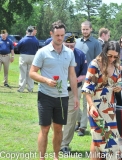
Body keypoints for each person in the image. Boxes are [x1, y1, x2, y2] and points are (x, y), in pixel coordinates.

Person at [29, 20, 79, 160]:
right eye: (57, 35)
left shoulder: (69, 53)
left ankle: (56, 157)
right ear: (51, 34)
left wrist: (75, 97)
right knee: (44, 129)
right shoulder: (42, 52)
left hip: (63, 96)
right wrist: (46, 80)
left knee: (58, 129)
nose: (60, 38)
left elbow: (72, 76)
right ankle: (42, 157)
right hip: (45, 95)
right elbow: (32, 73)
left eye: (62, 35)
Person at [81, 41, 122, 159]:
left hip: (109, 108)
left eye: (115, 56)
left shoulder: (116, 65)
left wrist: (119, 86)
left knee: (101, 138)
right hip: (95, 107)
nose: (112, 59)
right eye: (110, 56)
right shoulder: (95, 64)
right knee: (100, 137)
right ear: (104, 52)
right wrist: (91, 106)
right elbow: (87, 88)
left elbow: (120, 81)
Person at [60, 35, 88, 154]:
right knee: (54, 117)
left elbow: (84, 74)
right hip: (58, 90)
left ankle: (64, 144)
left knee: (71, 118)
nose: (70, 48)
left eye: (72, 46)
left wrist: (74, 80)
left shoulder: (80, 55)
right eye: (67, 46)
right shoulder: (57, 53)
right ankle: (58, 138)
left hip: (74, 89)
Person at [75, 20, 102, 136]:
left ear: (91, 29)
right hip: (76, 77)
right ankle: (80, 119)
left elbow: (99, 60)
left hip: (90, 78)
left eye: (87, 29)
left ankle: (82, 127)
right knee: (74, 102)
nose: (85, 31)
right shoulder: (76, 42)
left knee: (86, 103)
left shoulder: (96, 43)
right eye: (83, 29)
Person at [17, 26, 39, 92]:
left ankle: (21, 88)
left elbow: (18, 47)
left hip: (24, 55)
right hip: (32, 56)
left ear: (27, 31)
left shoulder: (23, 39)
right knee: (31, 72)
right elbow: (37, 47)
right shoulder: (35, 40)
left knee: (23, 72)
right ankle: (30, 88)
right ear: (32, 31)